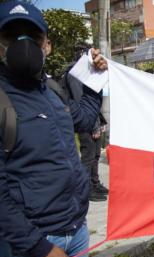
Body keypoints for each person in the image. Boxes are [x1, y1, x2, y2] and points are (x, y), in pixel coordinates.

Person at [0, 1, 108, 257]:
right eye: (11, 36)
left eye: (31, 37)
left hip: (75, 230)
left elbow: (86, 119)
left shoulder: (53, 92)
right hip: (27, 247)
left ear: (46, 45)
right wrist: (37, 247)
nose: (22, 45)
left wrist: (93, 81)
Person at [64, 42, 109, 202]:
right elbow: (80, 103)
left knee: (96, 154)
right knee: (88, 156)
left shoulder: (86, 72)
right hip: (85, 123)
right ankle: (86, 188)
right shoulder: (75, 74)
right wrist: (93, 125)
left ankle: (94, 183)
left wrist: (99, 121)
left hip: (94, 120)